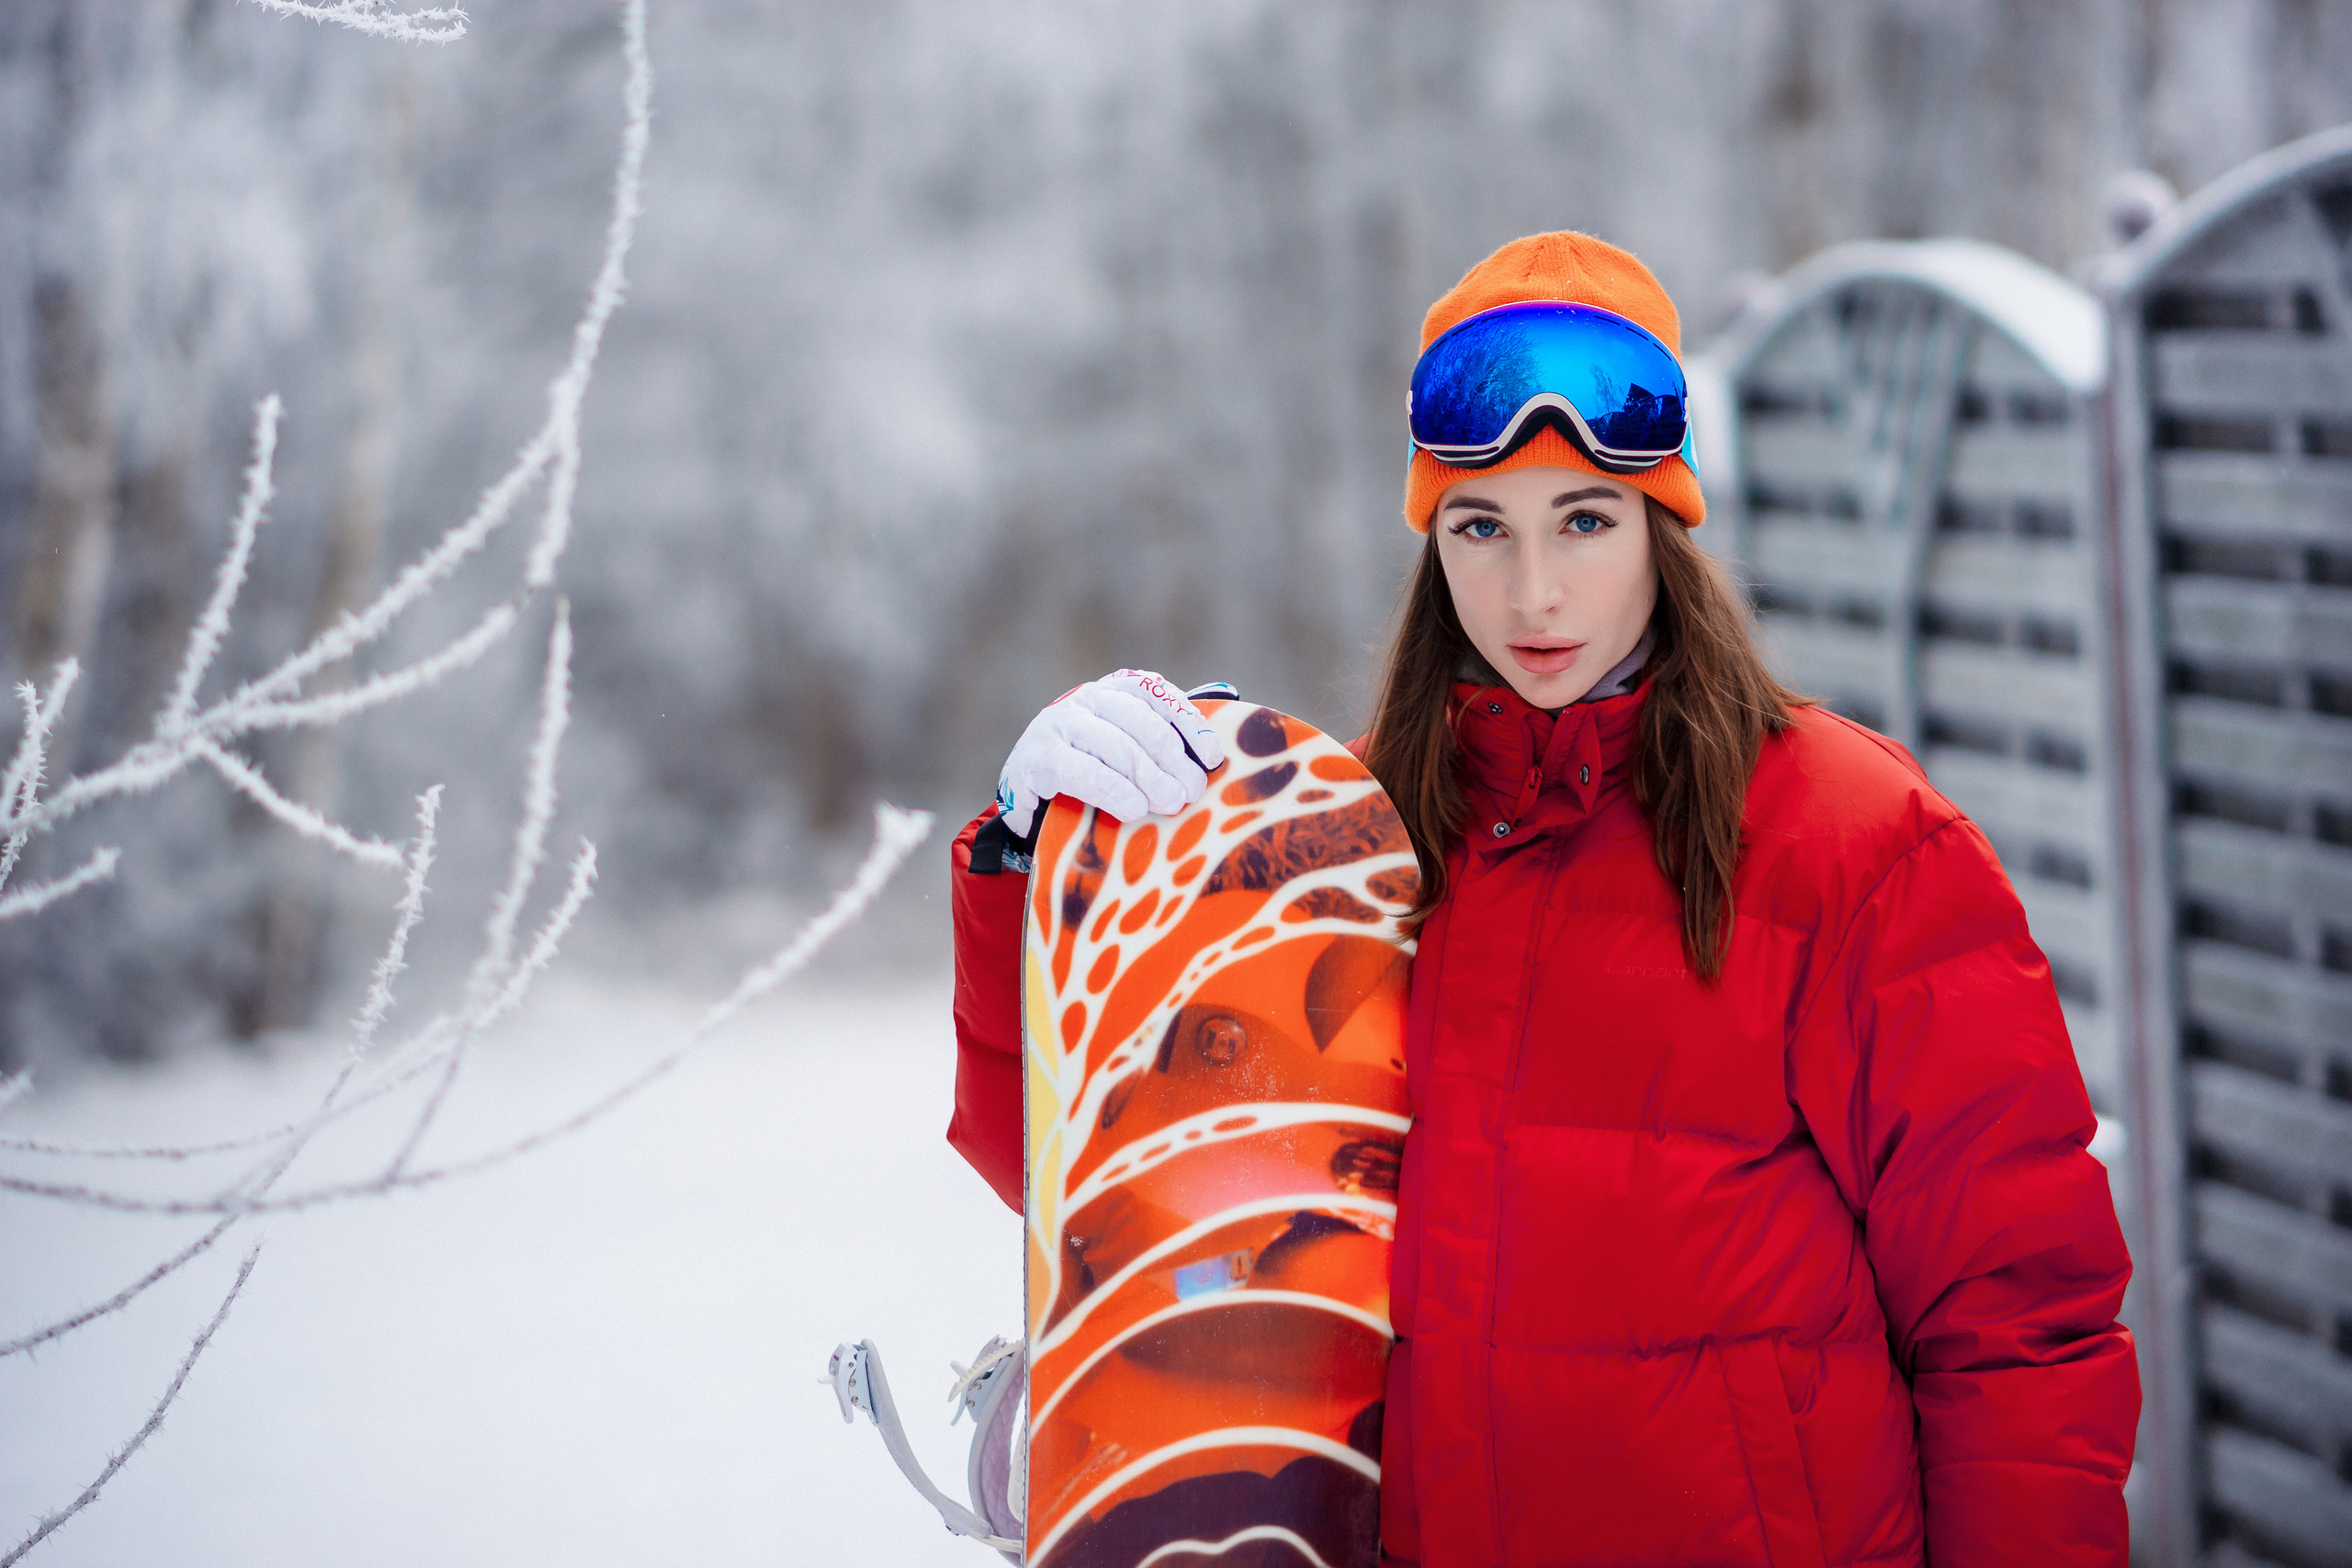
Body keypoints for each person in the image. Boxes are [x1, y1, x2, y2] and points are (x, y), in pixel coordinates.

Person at [944, 231, 2139, 1567]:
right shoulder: (1346, 852)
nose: (1534, 591)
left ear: (1662, 526)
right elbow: (1105, 1174)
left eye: (1583, 519)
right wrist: (1035, 855)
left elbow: (2021, 1324)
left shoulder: (1856, 844)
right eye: (1481, 527)